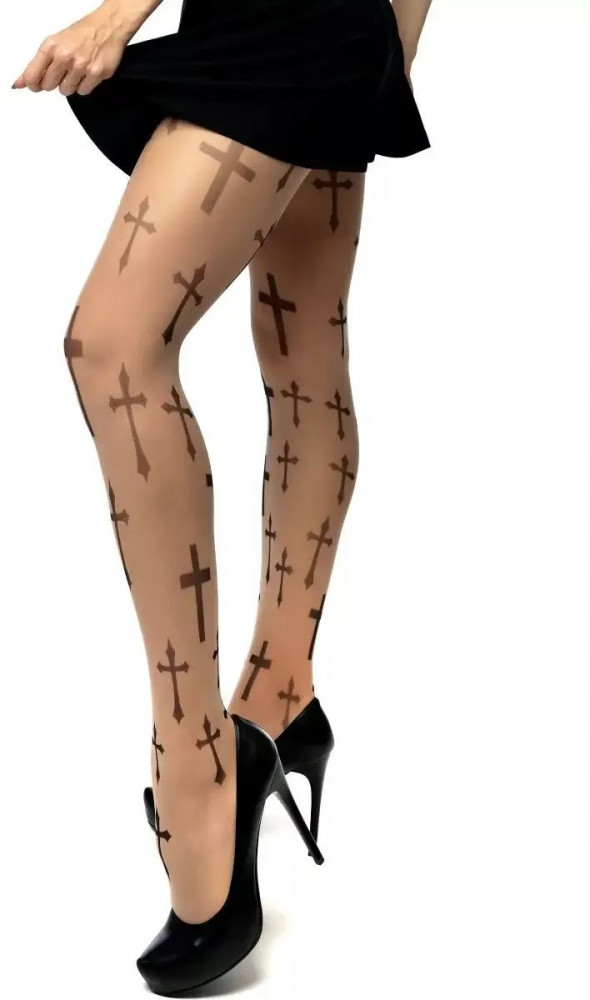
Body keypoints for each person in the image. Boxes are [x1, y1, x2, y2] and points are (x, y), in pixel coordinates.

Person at [12, 0, 433, 991]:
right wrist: (390, 52)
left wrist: (122, 11)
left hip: (300, 19)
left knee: (113, 344)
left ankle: (198, 767)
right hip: (337, 25)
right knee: (304, 343)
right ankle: (281, 699)